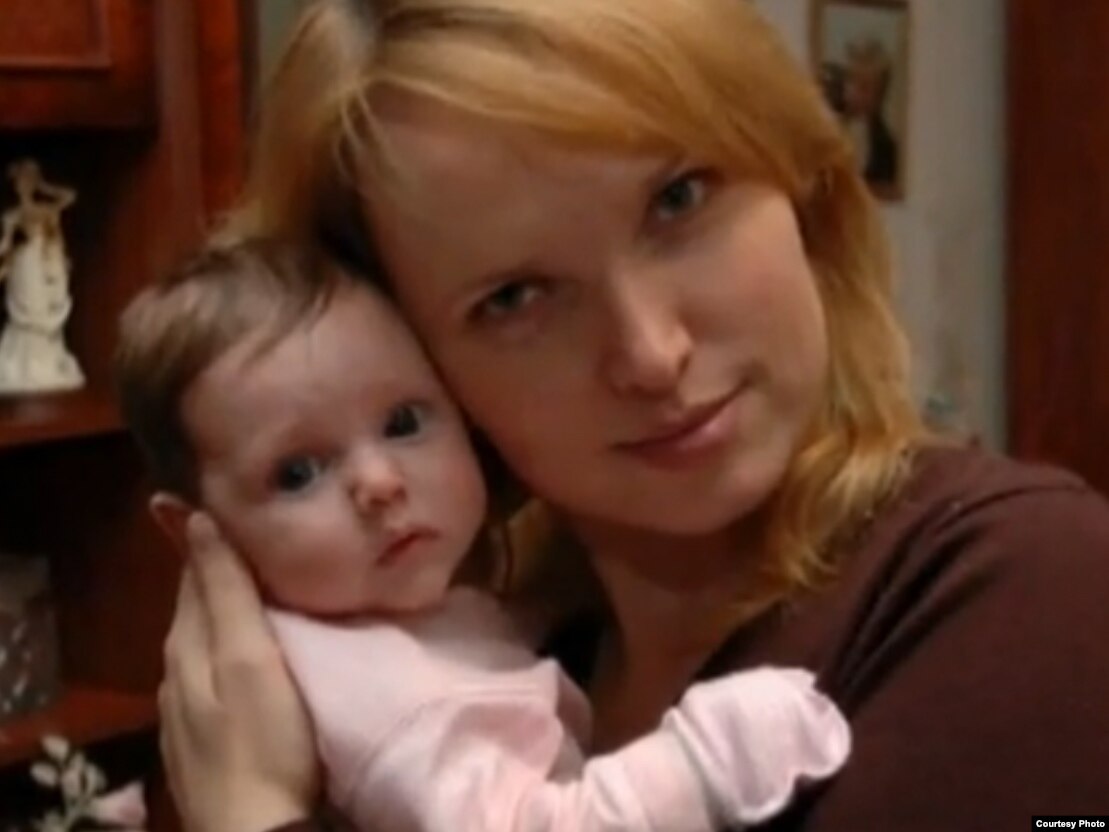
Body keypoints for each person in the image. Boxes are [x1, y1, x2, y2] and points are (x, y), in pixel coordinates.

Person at [155, 0, 1109, 830]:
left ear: (797, 183)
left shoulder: (1023, 586)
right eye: (516, 298)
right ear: (411, 371)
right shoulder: (501, 669)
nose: (651, 354)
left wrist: (252, 817)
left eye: (678, 199)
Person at [115, 240, 850, 831]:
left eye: (404, 422)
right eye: (298, 472)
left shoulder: (399, 618)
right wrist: (714, 753)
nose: (379, 483)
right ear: (193, 530)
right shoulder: (387, 706)